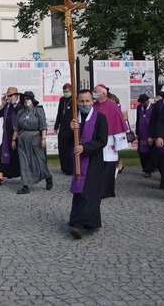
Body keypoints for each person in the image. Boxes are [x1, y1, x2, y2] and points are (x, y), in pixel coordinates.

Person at [68, 89, 108, 239]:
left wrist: (85, 148)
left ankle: (79, 224)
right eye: (81, 101)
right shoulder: (73, 118)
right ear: (77, 102)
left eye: (87, 101)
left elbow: (102, 140)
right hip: (77, 160)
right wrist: (70, 130)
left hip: (93, 161)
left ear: (93, 102)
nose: (84, 104)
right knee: (79, 192)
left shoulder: (100, 118)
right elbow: (65, 139)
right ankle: (80, 221)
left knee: (89, 192)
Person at [92, 84, 128, 198]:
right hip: (97, 140)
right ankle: (97, 189)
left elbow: (118, 123)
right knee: (98, 166)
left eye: (96, 92)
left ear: (103, 94)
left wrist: (119, 141)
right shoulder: (93, 105)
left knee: (108, 167)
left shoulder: (112, 106)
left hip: (109, 140)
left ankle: (107, 191)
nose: (94, 94)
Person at [13, 91, 52, 193]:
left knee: (39, 161)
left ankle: (47, 176)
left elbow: (43, 126)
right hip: (22, 139)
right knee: (23, 162)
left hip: (35, 139)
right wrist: (13, 140)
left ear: (32, 99)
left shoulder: (38, 110)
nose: (26, 101)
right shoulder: (21, 112)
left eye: (28, 99)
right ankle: (25, 186)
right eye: (24, 99)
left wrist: (43, 139)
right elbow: (16, 127)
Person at [0, 87, 21, 185]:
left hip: (17, 137)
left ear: (16, 96)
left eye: (12, 96)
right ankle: (0, 176)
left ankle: (24, 175)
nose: (10, 98)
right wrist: (2, 104)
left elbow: (19, 114)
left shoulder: (19, 105)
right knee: (3, 152)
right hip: (7, 136)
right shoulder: (6, 106)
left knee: (17, 157)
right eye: (8, 96)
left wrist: (14, 103)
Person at [54, 83, 75, 175]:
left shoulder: (74, 100)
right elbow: (59, 113)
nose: (65, 93)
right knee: (62, 148)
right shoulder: (62, 100)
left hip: (70, 127)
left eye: (67, 91)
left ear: (71, 91)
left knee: (70, 148)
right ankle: (64, 167)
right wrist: (56, 126)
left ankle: (71, 168)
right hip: (62, 126)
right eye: (64, 91)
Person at [135, 94, 154, 177]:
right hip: (142, 132)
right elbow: (138, 119)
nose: (143, 104)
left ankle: (149, 169)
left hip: (150, 132)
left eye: (144, 102)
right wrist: (137, 133)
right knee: (142, 152)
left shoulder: (153, 107)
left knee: (150, 151)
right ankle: (145, 167)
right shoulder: (139, 107)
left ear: (147, 100)